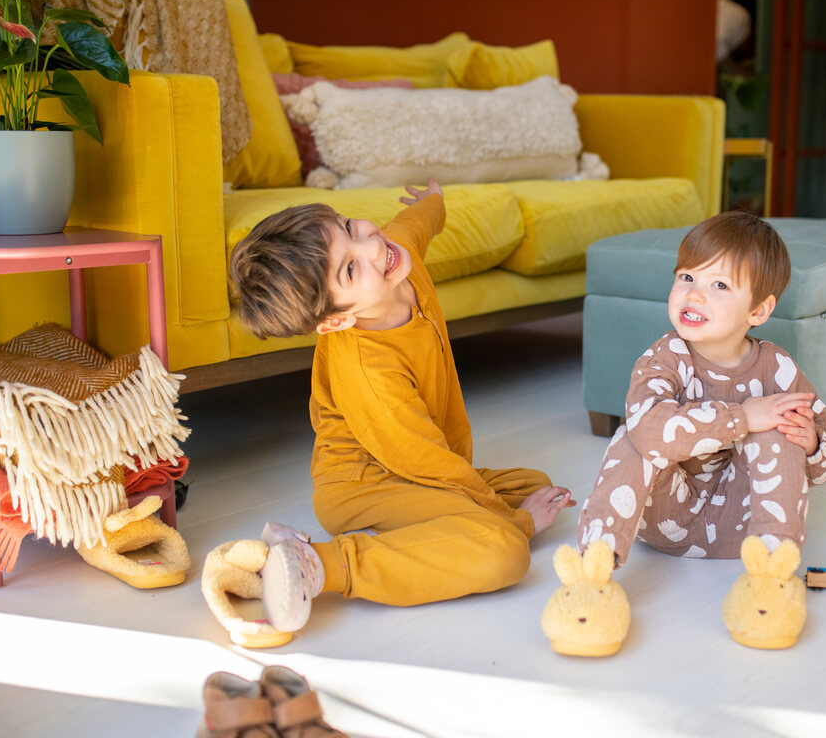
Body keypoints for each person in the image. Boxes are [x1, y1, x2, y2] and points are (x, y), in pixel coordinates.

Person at [227, 178, 576, 629]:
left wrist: (434, 200)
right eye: (350, 270)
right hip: (363, 483)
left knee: (532, 485)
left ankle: (418, 532)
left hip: (410, 461)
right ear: (336, 320)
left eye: (350, 227)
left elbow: (416, 224)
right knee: (505, 549)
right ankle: (319, 563)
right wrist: (519, 525)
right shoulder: (370, 372)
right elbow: (427, 461)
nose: (371, 246)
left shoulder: (392, 257)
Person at [576, 211, 826, 567]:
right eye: (686, 277)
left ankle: (771, 572)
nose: (694, 295)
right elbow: (649, 432)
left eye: (719, 285)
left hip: (746, 523)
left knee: (782, 425)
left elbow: (823, 469)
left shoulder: (778, 368)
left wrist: (811, 444)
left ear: (759, 310)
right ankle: (594, 563)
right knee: (636, 432)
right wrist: (742, 417)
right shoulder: (664, 357)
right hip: (665, 517)